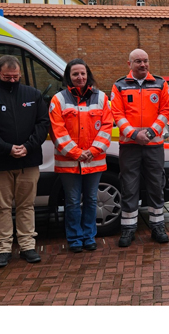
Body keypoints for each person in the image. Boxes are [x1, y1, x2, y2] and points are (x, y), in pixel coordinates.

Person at [0, 55, 50, 268]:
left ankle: (27, 246)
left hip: (28, 160)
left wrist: (28, 146)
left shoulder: (33, 95)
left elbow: (43, 123)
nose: (12, 81)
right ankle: (3, 248)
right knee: (1, 207)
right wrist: (6, 149)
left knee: (26, 206)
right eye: (7, 76)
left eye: (15, 77)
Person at [111, 49, 169, 247]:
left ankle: (157, 227)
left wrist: (151, 133)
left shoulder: (160, 84)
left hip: (154, 145)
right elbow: (117, 114)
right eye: (138, 61)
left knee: (156, 185)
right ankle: (128, 229)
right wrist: (134, 134)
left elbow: (166, 110)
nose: (143, 65)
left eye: (145, 61)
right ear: (129, 64)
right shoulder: (119, 85)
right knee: (129, 187)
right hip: (130, 145)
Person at [50, 59, 112, 253]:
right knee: (73, 202)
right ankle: (75, 239)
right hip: (69, 162)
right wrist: (78, 153)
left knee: (92, 200)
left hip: (94, 160)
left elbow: (107, 127)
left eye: (83, 74)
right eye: (75, 74)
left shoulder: (101, 98)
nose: (80, 77)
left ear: (88, 75)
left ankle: (89, 236)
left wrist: (92, 152)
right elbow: (57, 132)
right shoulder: (58, 99)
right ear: (68, 76)